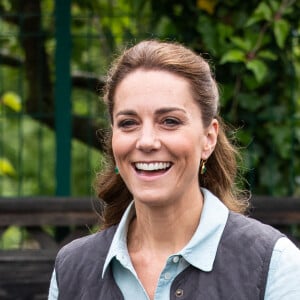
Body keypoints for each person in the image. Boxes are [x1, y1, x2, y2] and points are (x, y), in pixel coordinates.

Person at [48, 40, 300, 300]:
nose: (146, 141)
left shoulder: (274, 265)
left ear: (208, 139)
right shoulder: (71, 270)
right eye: (128, 123)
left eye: (169, 121)